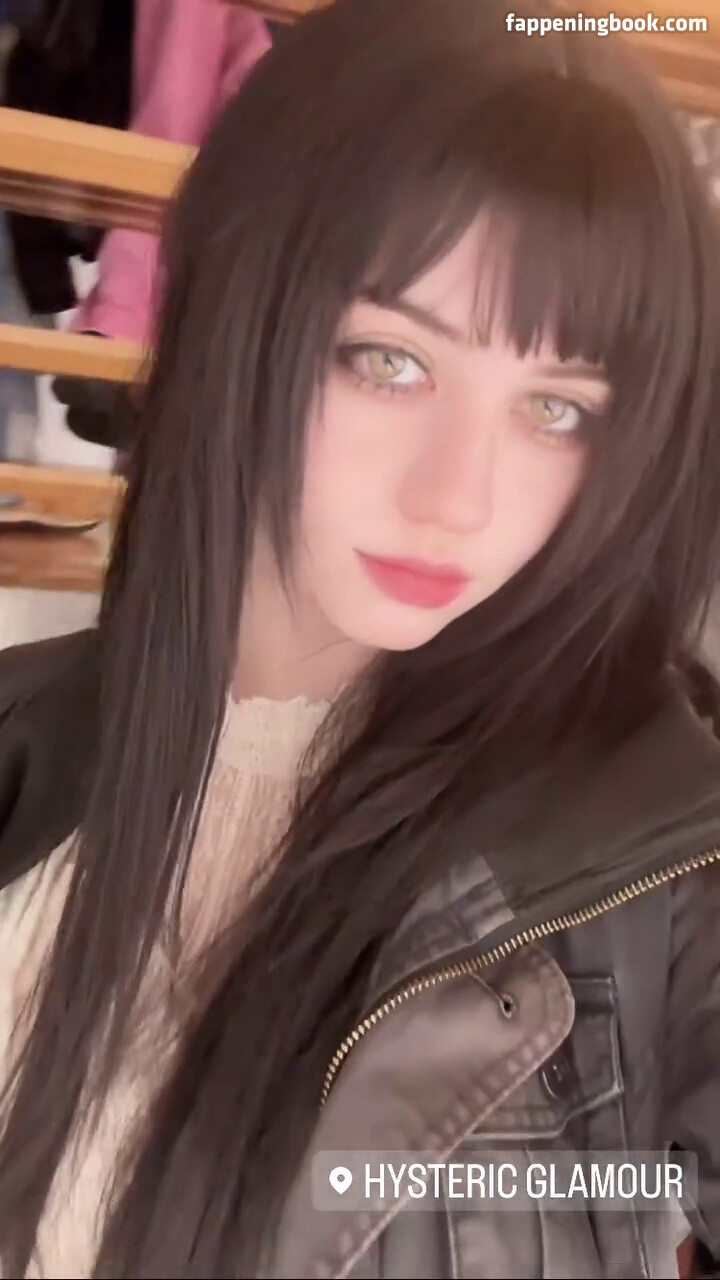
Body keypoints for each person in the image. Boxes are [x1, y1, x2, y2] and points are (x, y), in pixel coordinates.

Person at [0, 1, 718, 1276]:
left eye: (557, 409)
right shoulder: (23, 735)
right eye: (388, 361)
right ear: (242, 318)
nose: (459, 498)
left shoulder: (664, 860)